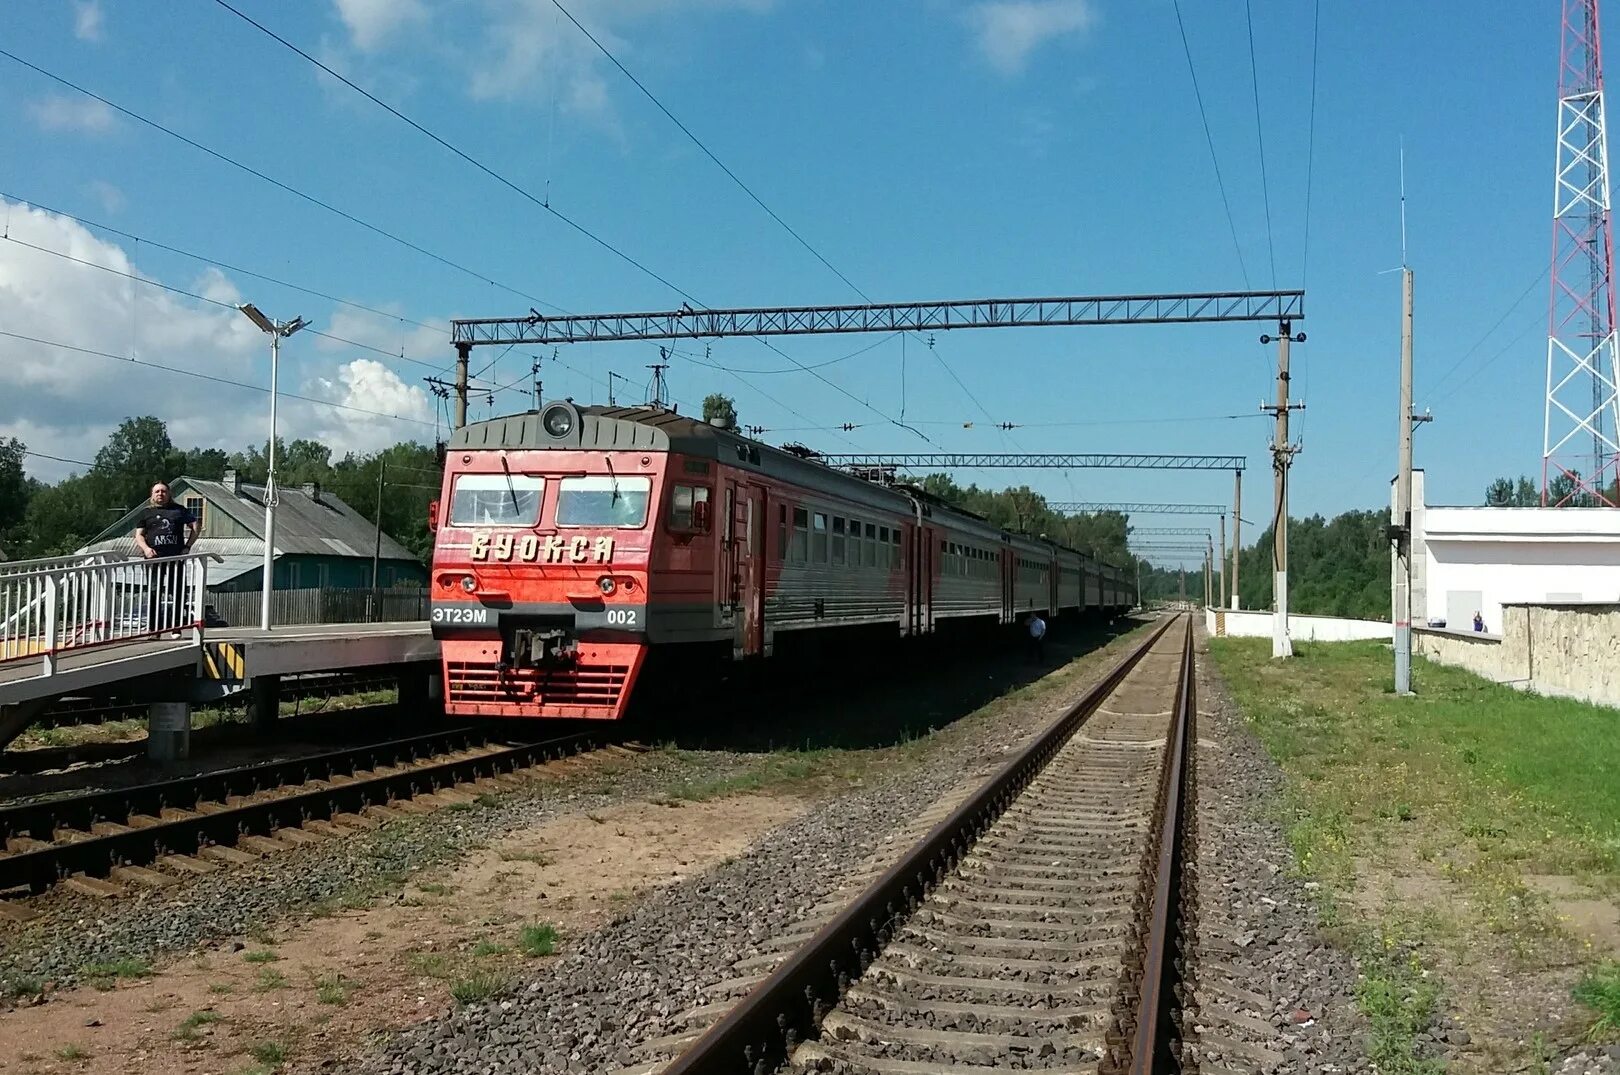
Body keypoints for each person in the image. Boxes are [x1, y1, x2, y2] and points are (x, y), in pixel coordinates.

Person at [133, 483, 200, 636]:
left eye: (163, 491)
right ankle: (154, 628)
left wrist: (188, 546)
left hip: (175, 559)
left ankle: (175, 627)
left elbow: (195, 525)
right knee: (153, 592)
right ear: (152, 494)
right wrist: (146, 549)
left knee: (176, 592)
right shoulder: (146, 513)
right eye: (157, 491)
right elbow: (139, 535)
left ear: (169, 494)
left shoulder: (179, 511)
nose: (160, 494)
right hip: (153, 560)